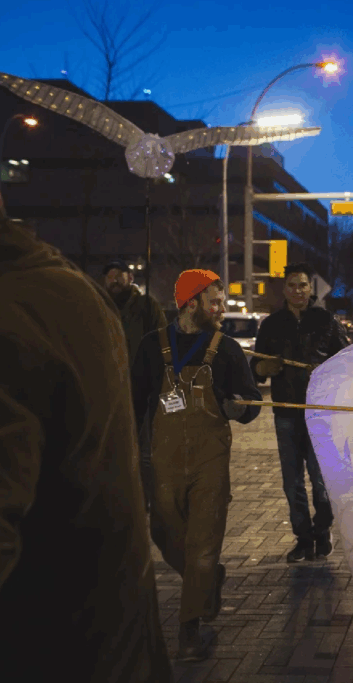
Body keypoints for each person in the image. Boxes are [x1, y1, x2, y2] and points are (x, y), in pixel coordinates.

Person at [0, 219, 172, 681]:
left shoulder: (20, 310)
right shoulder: (70, 290)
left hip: (57, 647)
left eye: (122, 275)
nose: (117, 279)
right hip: (108, 642)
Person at [132, 268, 262, 662]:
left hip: (210, 462)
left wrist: (241, 409)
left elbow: (251, 401)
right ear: (191, 304)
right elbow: (133, 402)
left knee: (203, 545)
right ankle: (207, 580)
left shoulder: (227, 349)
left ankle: (189, 631)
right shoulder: (152, 345)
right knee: (163, 533)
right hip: (164, 461)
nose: (221, 309)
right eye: (215, 302)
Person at [251, 263, 350, 563]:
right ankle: (303, 539)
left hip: (319, 413)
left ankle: (322, 531)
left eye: (303, 285)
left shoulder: (326, 321)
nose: (298, 290)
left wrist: (327, 371)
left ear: (310, 288)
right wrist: (264, 367)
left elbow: (346, 362)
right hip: (286, 412)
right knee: (292, 482)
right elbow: (255, 368)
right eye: (292, 285)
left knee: (322, 481)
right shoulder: (271, 324)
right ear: (285, 289)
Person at [103, 259, 168, 510]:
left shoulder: (146, 305)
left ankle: (146, 501)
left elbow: (162, 340)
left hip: (142, 388)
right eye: (110, 276)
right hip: (111, 390)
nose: (114, 280)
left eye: (119, 275)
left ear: (130, 278)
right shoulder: (101, 304)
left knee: (145, 451)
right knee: (115, 448)